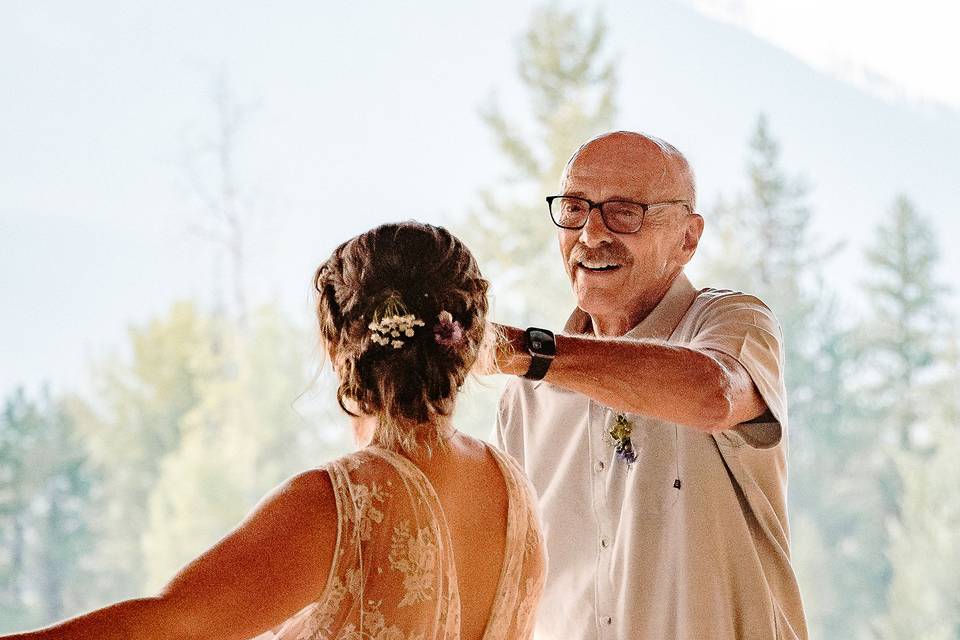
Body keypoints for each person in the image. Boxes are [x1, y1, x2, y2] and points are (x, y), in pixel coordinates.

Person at [3, 222, 546, 640]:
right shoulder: (514, 490)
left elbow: (175, 626)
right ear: (467, 341)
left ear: (339, 349)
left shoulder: (348, 501)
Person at [490, 131, 808, 639]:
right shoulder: (525, 396)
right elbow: (511, 576)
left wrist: (529, 352)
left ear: (688, 237)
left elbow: (714, 394)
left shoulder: (732, 322)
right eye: (574, 209)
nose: (591, 234)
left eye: (623, 212)